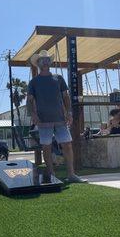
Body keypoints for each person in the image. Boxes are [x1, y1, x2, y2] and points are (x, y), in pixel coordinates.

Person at [27, 49, 87, 183]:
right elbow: (30, 100)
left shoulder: (58, 78)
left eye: (47, 59)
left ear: (50, 62)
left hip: (60, 119)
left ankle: (71, 174)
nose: (45, 62)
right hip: (43, 121)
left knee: (67, 145)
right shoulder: (34, 82)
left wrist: (69, 112)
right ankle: (52, 175)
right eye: (42, 60)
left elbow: (66, 97)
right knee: (46, 147)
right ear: (38, 63)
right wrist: (33, 115)